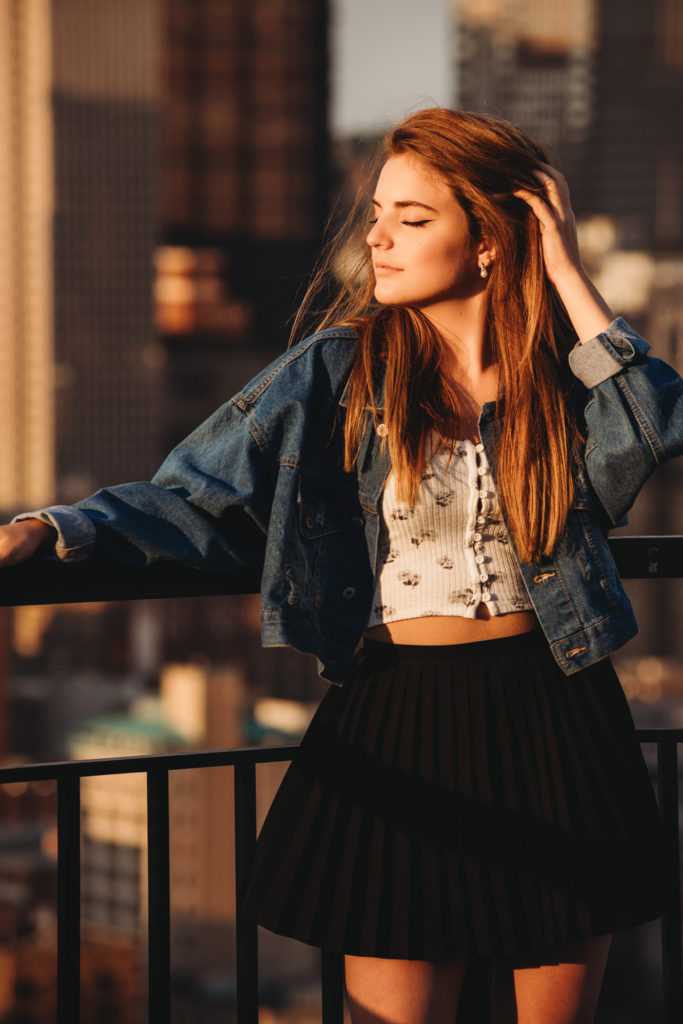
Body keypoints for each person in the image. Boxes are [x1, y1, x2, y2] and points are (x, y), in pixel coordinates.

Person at [1, 108, 682, 1023]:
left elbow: (655, 424)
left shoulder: (559, 377)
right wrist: (55, 529)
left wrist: (564, 267)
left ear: (488, 240)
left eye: (412, 217)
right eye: (376, 213)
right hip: (400, 711)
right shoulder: (338, 370)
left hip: (556, 712)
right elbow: (194, 493)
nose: (378, 237)